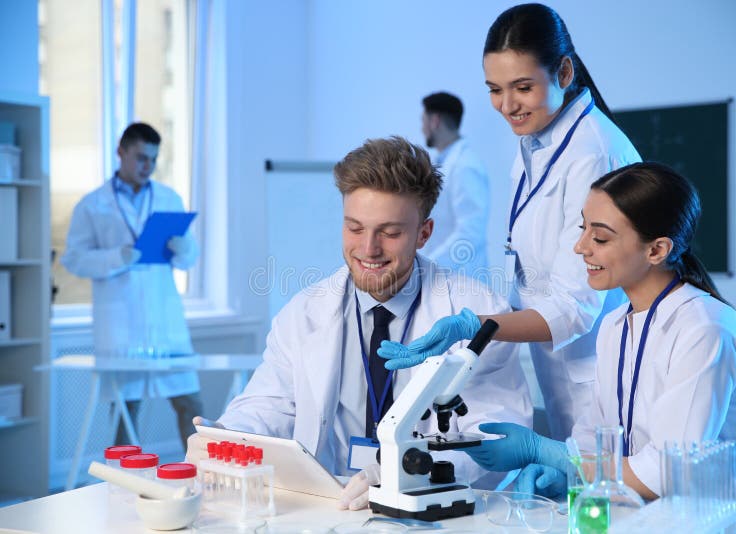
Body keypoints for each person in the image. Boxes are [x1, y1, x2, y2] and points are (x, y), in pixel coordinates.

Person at [185, 136, 532, 510]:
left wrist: (402, 472)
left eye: (390, 232)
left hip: (438, 511)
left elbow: (493, 429)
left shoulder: (477, 312)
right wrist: (228, 434)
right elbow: (271, 405)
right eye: (355, 228)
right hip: (335, 507)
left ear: (424, 233)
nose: (368, 249)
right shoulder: (302, 315)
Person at [458, 163, 736, 513]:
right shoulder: (616, 325)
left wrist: (546, 451)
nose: (580, 247)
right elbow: (595, 434)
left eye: (600, 237)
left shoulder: (706, 328)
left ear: (656, 251)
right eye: (582, 228)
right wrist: (566, 471)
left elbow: (671, 471)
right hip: (660, 512)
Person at [380, 3, 640, 441]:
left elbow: (574, 306)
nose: (506, 106)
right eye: (494, 89)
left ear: (563, 72)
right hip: (562, 368)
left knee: (614, 493)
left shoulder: (593, 153)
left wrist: (477, 326)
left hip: (600, 372)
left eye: (521, 87)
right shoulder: (536, 143)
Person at [62, 122, 201, 448]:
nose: (147, 166)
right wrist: (115, 257)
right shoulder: (92, 205)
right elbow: (74, 259)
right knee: (127, 409)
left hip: (164, 323)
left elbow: (189, 258)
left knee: (190, 406)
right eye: (140, 157)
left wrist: (184, 248)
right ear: (120, 152)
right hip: (122, 326)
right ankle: (123, 489)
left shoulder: (169, 197)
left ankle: (205, 477)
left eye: (152, 159)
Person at [419, 92, 490, 276]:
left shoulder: (465, 166)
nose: (422, 129)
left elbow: (471, 232)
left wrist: (428, 267)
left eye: (423, 121)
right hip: (442, 277)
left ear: (435, 121)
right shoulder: (443, 162)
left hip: (462, 280)